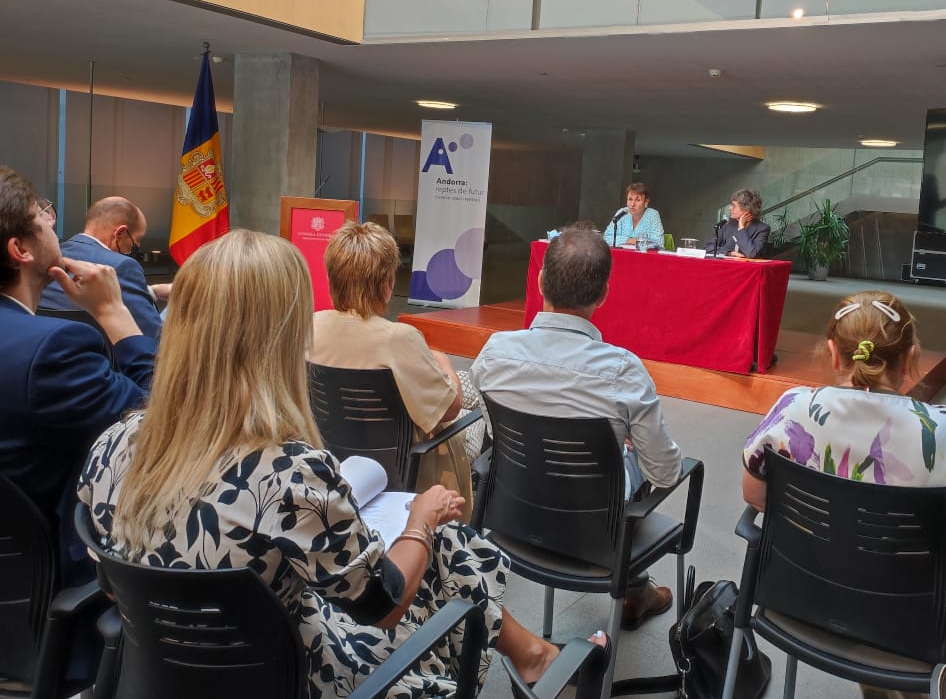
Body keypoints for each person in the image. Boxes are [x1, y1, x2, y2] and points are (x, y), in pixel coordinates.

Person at [77, 230, 595, 699]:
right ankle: (537, 658)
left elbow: (110, 578)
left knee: (440, 545)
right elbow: (383, 604)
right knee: (443, 539)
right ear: (279, 337)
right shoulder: (290, 476)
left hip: (161, 673)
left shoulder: (112, 447)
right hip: (297, 676)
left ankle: (531, 655)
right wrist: (420, 520)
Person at [472, 226, 683, 630]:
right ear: (604, 294)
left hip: (511, 516)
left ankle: (637, 591)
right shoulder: (624, 372)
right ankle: (636, 590)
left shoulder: (494, 353)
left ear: (539, 281)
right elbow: (665, 474)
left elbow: (498, 435)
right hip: (595, 534)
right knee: (637, 459)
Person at [741, 290, 946, 587]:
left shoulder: (792, 408)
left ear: (833, 354)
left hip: (804, 591)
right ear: (910, 358)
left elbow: (755, 496)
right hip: (920, 618)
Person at [0, 166, 156, 588]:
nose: (53, 222)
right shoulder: (54, 350)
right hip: (48, 581)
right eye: (42, 216)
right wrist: (113, 313)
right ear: (21, 249)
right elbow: (157, 421)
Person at [309, 221, 483, 512]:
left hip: (331, 461)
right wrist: (442, 361)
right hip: (402, 473)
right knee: (471, 409)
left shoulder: (310, 326)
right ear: (387, 284)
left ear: (332, 280)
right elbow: (450, 408)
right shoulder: (399, 339)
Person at [39, 196, 170, 339]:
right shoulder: (122, 266)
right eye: (137, 239)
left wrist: (152, 292)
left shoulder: (50, 258)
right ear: (120, 233)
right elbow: (152, 336)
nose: (136, 246)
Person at [707, 188, 770, 258]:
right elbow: (709, 247)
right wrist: (730, 253)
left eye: (734, 206)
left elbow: (751, 253)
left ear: (746, 210)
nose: (730, 208)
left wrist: (741, 229)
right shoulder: (728, 224)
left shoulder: (762, 229)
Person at [602, 182, 664, 250]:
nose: (632, 204)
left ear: (646, 202)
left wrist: (622, 240)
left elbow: (658, 243)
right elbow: (606, 237)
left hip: (644, 258)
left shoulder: (653, 215)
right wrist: (632, 240)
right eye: (630, 199)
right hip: (622, 256)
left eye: (638, 200)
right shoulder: (622, 213)